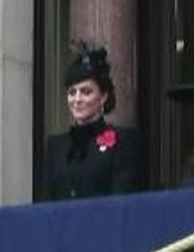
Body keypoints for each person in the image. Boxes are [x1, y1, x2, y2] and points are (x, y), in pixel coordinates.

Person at [37, 43, 141, 202]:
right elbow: (44, 206)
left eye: (86, 92)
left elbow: (122, 204)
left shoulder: (122, 142)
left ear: (103, 96)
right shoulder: (55, 147)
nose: (77, 99)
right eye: (72, 92)